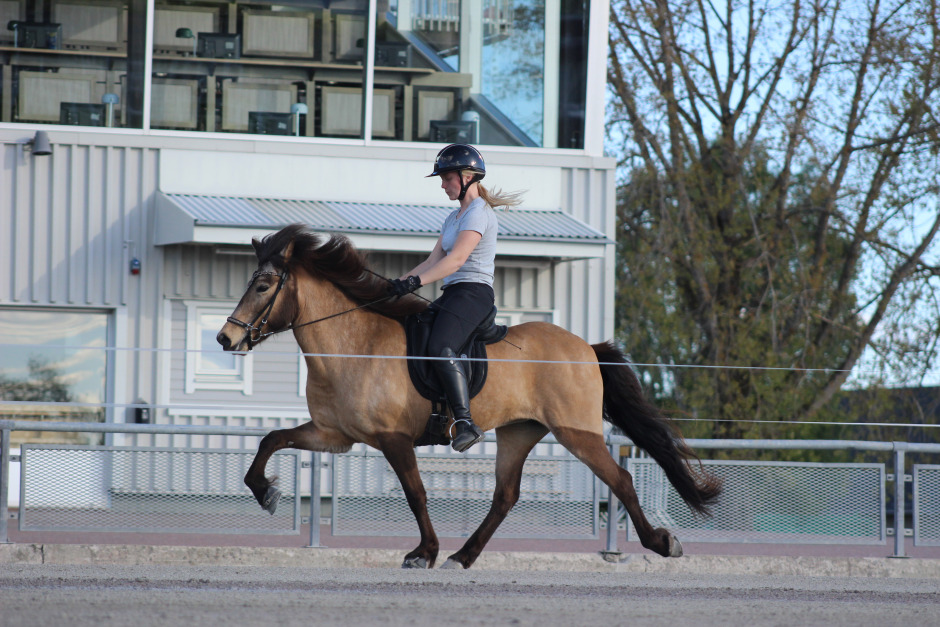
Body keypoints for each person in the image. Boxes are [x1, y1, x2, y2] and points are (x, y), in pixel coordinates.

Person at [389, 144, 522, 452]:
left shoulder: (479, 212)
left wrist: (414, 282)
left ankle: (465, 422)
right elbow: (433, 260)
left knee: (441, 346)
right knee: (417, 331)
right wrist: (398, 284)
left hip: (474, 293)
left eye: (447, 178)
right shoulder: (453, 217)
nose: (442, 184)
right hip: (452, 292)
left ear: (467, 177)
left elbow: (456, 260)